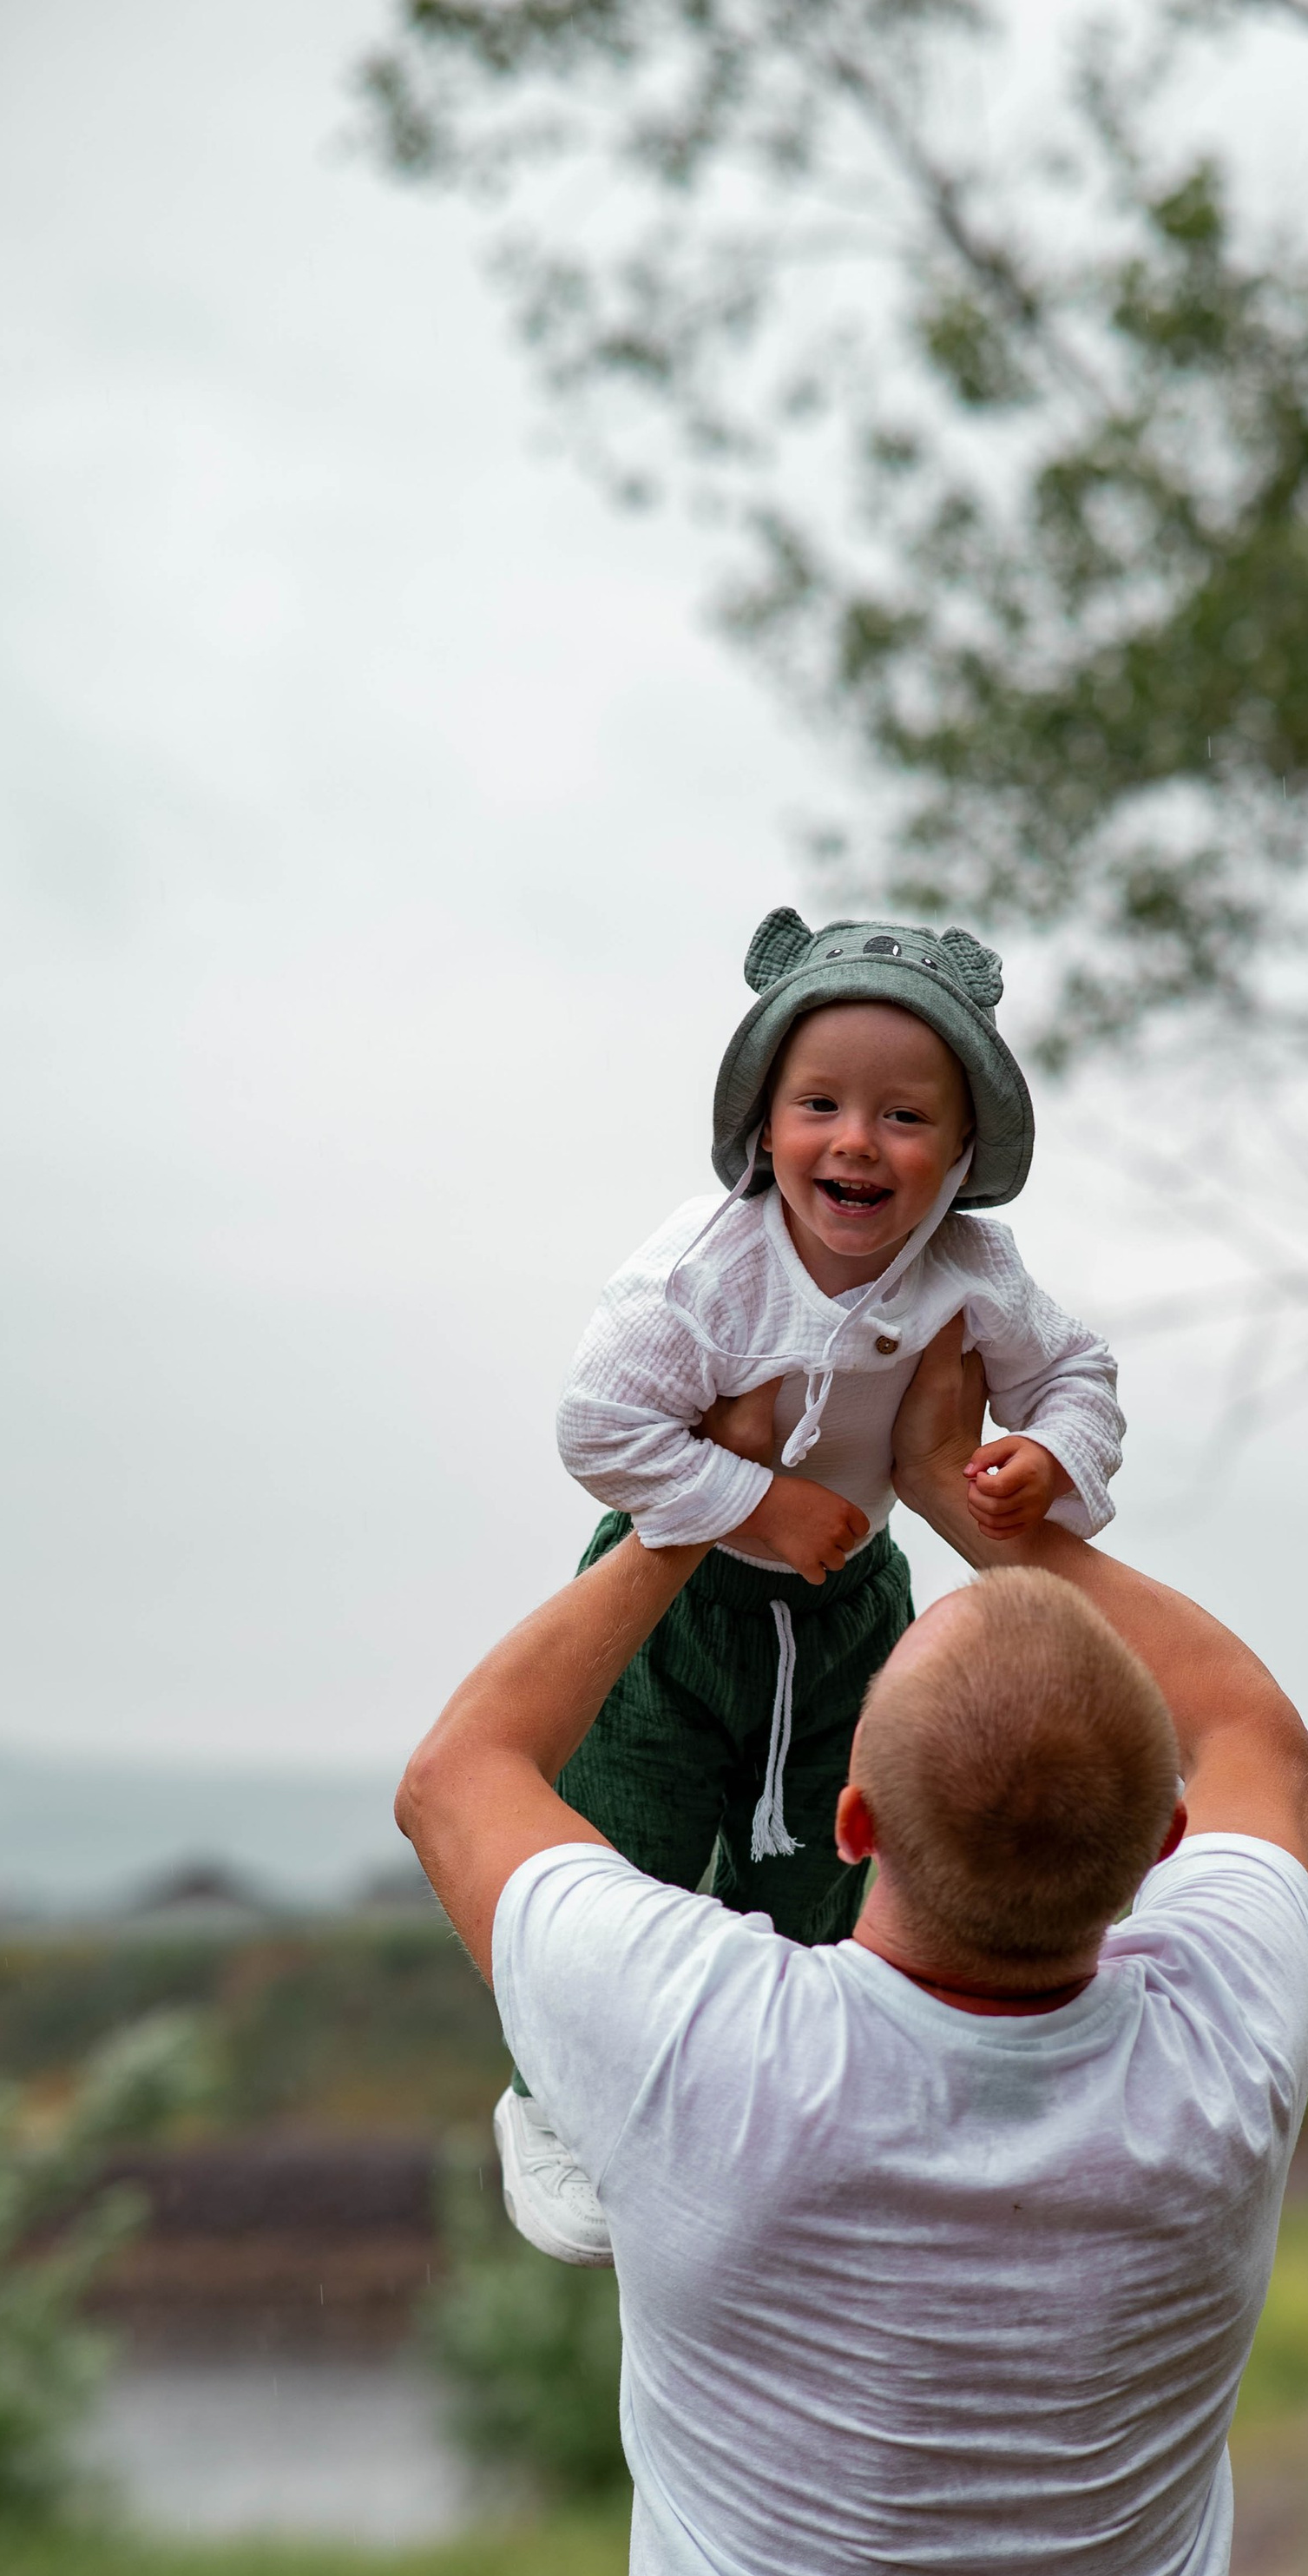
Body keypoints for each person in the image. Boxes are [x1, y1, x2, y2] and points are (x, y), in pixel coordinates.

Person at [394, 1317, 1308, 2576]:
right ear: (1159, 1856)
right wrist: (977, 1507)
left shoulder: (706, 2050)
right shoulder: (1220, 2056)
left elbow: (462, 1777)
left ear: (851, 1829)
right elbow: (1259, 1737)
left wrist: (690, 1500)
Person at [496, 903, 1124, 2263]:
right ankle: (557, 2097)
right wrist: (760, 1504)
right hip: (681, 1598)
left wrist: (1043, 1459)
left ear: (963, 1155)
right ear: (760, 1129)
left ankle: (841, 2110)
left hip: (850, 1605)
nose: (857, 1141)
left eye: (907, 1117)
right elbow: (598, 1431)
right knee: (627, 1831)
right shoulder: (702, 1277)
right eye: (820, 1104)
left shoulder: (975, 1271)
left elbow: (1079, 1374)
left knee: (837, 1855)